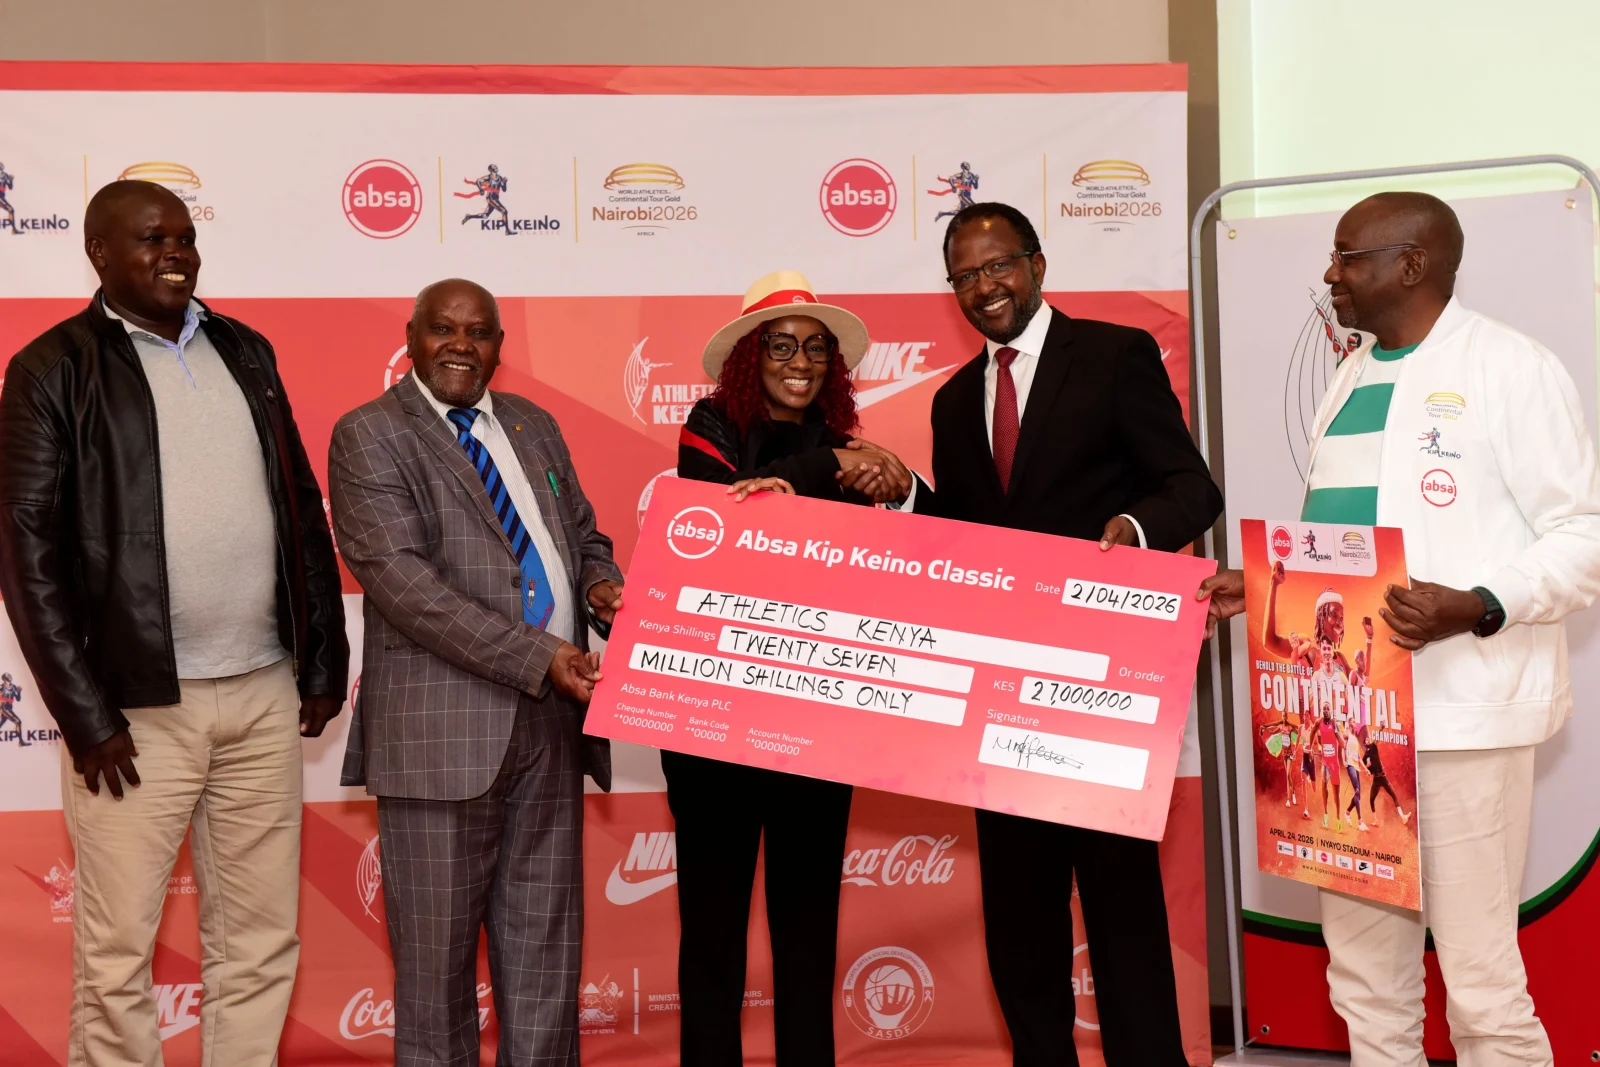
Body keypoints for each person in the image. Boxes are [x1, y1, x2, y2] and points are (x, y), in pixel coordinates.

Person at [1199, 191, 1600, 1067]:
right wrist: (1264, 583)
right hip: (1351, 732)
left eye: (1347, 256)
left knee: (1482, 984)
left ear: (1410, 265)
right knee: (1365, 980)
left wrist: (1480, 601)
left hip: (1461, 721)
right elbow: (1350, 549)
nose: (1330, 275)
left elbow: (1585, 537)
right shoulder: (1350, 374)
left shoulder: (1510, 367)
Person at [0, 179, 347, 1067]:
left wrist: (320, 660)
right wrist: (86, 715)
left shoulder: (245, 348)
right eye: (152, 238)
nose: (176, 253)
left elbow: (299, 506)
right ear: (100, 254)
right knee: (117, 957)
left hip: (263, 694)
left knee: (261, 942)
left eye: (186, 236)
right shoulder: (53, 367)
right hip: (136, 714)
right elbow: (26, 555)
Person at [878, 202, 1223, 1067]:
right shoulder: (956, 401)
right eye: (965, 274)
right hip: (998, 703)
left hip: (1099, 689)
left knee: (1121, 916)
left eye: (999, 266)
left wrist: (1134, 529)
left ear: (1036, 263)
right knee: (1020, 924)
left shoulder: (1113, 355)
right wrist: (909, 500)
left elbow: (1192, 487)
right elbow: (965, 534)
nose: (984, 287)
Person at [330, 278, 622, 1067]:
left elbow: (582, 535)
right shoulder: (369, 434)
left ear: (500, 345)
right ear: (412, 335)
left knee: (544, 971)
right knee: (435, 986)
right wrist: (541, 656)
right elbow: (406, 587)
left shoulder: (533, 423)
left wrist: (599, 586)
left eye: (479, 331)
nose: (461, 344)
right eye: (443, 328)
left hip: (553, 729)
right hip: (441, 739)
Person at [670, 270, 906, 1067]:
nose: (799, 361)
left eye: (815, 347)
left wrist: (876, 477)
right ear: (748, 356)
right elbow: (728, 510)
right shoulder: (708, 425)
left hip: (815, 717)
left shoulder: (850, 447)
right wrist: (822, 473)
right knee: (712, 927)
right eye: (781, 345)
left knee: (808, 931)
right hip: (713, 722)